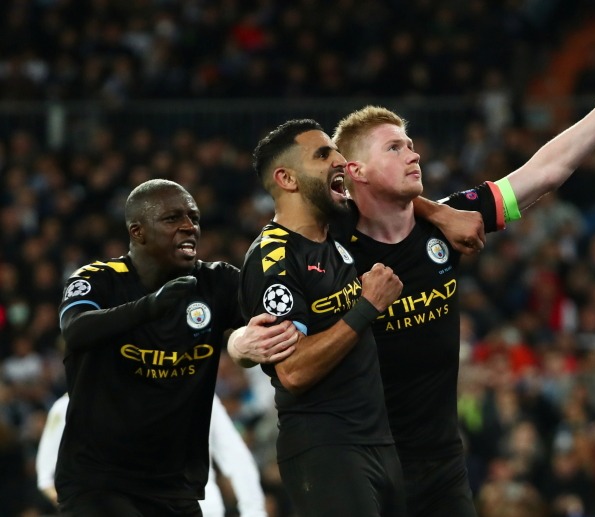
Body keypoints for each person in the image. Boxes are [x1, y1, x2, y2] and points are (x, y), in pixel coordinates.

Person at [231, 24, 595, 517]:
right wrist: (239, 343)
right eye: (394, 148)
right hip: (362, 456)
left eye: (410, 143)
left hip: (441, 460)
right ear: (355, 172)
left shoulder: (448, 222)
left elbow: (547, 171)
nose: (414, 153)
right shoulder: (331, 238)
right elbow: (270, 276)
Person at [234, 118, 411, 517]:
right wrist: (367, 307)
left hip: (378, 442)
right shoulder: (274, 260)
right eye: (322, 154)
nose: (340, 161)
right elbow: (293, 371)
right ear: (287, 179)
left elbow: (399, 205)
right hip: (326, 447)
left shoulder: (335, 233)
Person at [56, 179, 245, 516]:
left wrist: (247, 343)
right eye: (173, 218)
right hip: (100, 483)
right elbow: (75, 329)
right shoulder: (99, 279)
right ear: (138, 232)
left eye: (194, 218)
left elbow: (271, 318)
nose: (189, 227)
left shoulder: (217, 283)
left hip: (175, 487)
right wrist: (150, 306)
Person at [36, 393, 268, 517]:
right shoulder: (71, 405)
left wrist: (254, 511)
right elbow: (47, 477)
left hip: (202, 508)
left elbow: (236, 456)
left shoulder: (197, 389)